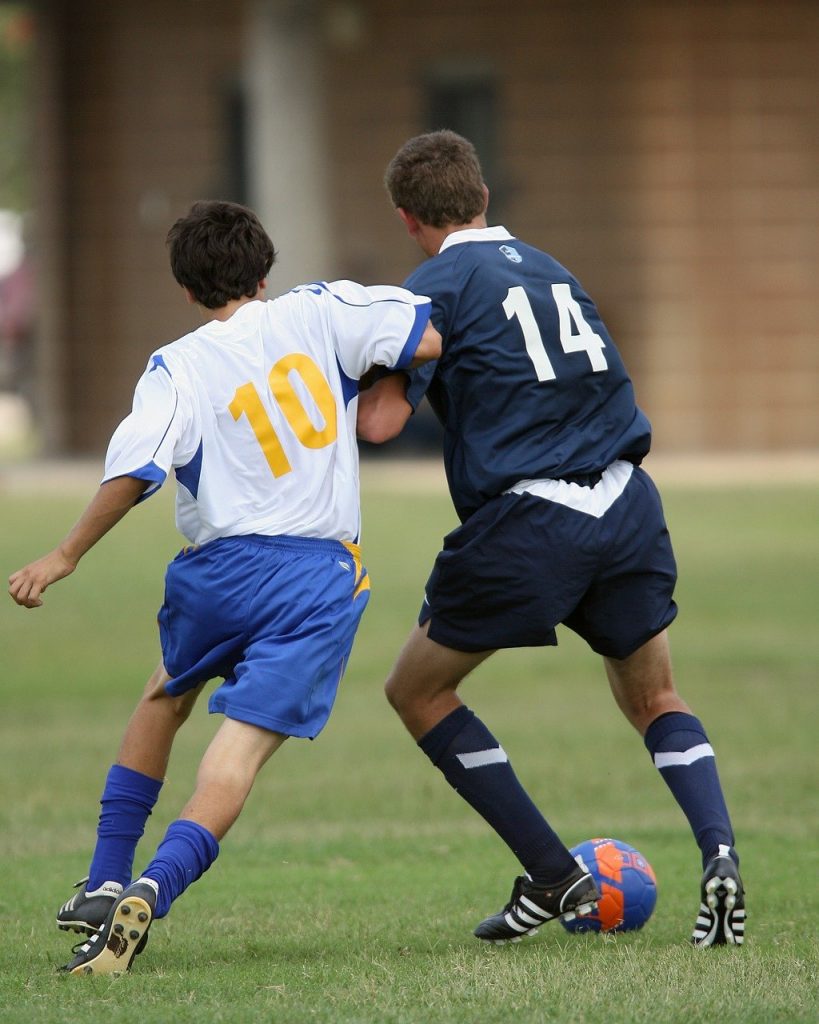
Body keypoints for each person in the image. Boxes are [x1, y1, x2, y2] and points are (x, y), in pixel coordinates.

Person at [8, 199, 440, 976]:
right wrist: (390, 379)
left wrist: (66, 553)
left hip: (217, 574)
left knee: (162, 697)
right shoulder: (320, 310)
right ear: (266, 271)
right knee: (234, 760)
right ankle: (152, 886)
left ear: (186, 290)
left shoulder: (177, 364)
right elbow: (431, 332)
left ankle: (106, 878)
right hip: (315, 576)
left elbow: (135, 472)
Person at [357, 130, 745, 948]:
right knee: (654, 700)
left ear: (406, 218)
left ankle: (550, 871)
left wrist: (346, 360)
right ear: (484, 196)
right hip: (628, 500)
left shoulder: (431, 285)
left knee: (415, 691)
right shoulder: (553, 269)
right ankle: (720, 857)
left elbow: (381, 422)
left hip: (531, 519)